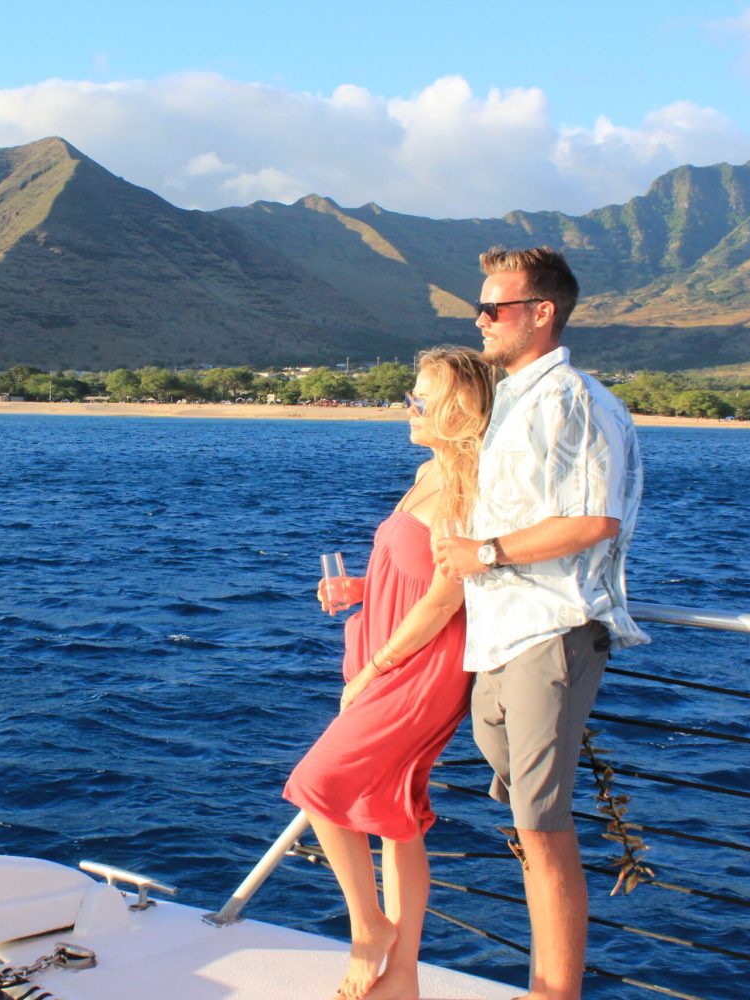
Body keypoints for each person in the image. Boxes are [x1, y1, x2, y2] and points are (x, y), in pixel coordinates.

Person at [432, 246, 646, 1000]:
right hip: (500, 632)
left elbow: (592, 520)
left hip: (549, 629)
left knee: (541, 824)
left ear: (541, 312)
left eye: (494, 307)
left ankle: (555, 993)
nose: (480, 319)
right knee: (526, 814)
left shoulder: (573, 401)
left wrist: (483, 552)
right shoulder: (514, 400)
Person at [285, 346, 497, 1000]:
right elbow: (406, 570)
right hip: (384, 640)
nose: (408, 405)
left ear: (456, 407)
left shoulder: (469, 486)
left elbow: (444, 596)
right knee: (395, 816)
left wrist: (376, 668)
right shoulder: (427, 470)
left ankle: (367, 929)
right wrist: (357, 589)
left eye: (419, 397)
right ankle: (400, 977)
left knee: (316, 781)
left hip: (417, 664)